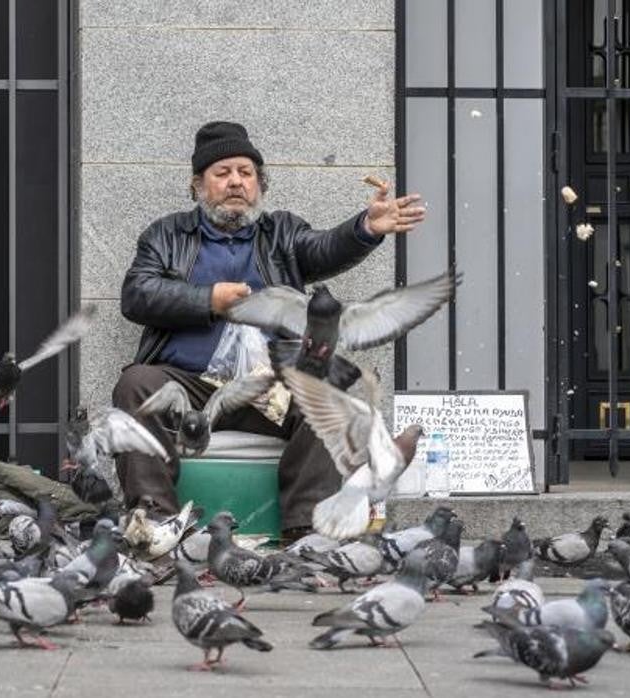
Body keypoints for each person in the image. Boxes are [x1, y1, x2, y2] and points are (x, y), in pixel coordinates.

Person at [112, 121, 426, 541]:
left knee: (325, 399)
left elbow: (322, 248)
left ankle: (306, 531)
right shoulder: (166, 235)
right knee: (135, 384)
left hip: (267, 386)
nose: (235, 182)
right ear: (198, 186)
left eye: (246, 172)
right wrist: (210, 300)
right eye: (222, 173)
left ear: (260, 183)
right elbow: (137, 294)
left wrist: (365, 229)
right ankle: (155, 525)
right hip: (187, 388)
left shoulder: (281, 232)